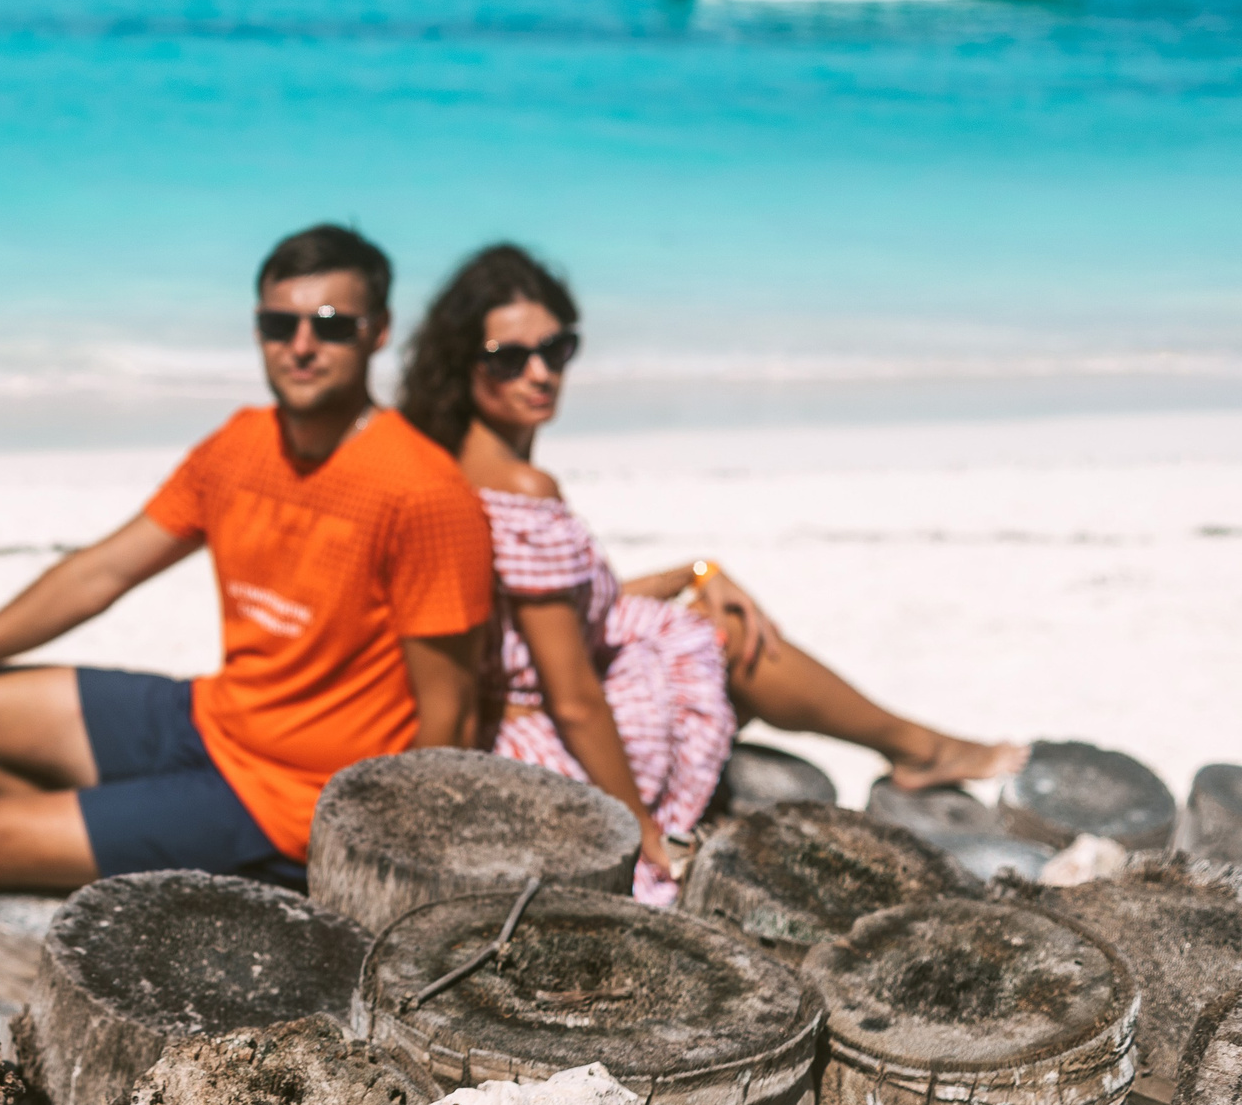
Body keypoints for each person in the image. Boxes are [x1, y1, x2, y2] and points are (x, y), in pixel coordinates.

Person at [0, 224, 493, 913]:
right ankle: (122, 868)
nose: (302, 345)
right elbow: (99, 572)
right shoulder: (241, 444)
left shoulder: (423, 489)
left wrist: (379, 876)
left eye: (331, 325)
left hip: (297, 797)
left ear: (378, 332)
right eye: (279, 324)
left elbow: (449, 717)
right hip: (216, 719)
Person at [398, 243, 1027, 904]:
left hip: (515, 713)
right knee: (722, 635)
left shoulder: (453, 463)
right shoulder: (523, 486)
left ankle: (914, 744)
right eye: (508, 358)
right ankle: (916, 746)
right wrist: (641, 829)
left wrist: (695, 570)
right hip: (550, 741)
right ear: (460, 363)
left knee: (701, 617)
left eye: (556, 350)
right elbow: (574, 695)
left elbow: (554, 609)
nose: (539, 373)